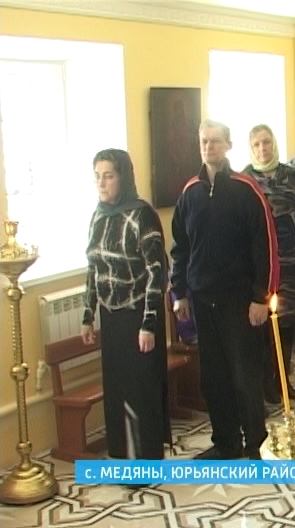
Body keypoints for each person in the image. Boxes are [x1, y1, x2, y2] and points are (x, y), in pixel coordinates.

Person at [170, 119, 279, 460]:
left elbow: (266, 246)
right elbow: (180, 248)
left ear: (228, 145)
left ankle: (256, 443)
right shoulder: (190, 192)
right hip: (203, 301)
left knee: (245, 376)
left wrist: (261, 298)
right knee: (214, 378)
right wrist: (179, 292)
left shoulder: (247, 189)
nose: (209, 147)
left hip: (240, 302)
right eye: (204, 141)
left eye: (215, 141)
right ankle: (226, 442)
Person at [81, 149, 168, 464]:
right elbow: (93, 268)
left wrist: (148, 324)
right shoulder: (99, 215)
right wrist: (88, 315)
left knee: (140, 391)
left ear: (124, 178)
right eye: (97, 176)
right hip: (111, 318)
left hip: (139, 317)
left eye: (109, 176)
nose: (101, 183)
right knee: (117, 390)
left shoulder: (142, 215)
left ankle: (146, 461)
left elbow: (157, 273)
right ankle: (123, 457)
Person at [243, 124, 295, 405]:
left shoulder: (292, 175)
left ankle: (283, 380)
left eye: (266, 142)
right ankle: (266, 382)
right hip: (260, 267)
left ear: (273, 143)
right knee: (262, 327)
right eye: (257, 144)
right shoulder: (244, 179)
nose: (262, 149)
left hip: (289, 263)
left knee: (287, 325)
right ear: (251, 148)